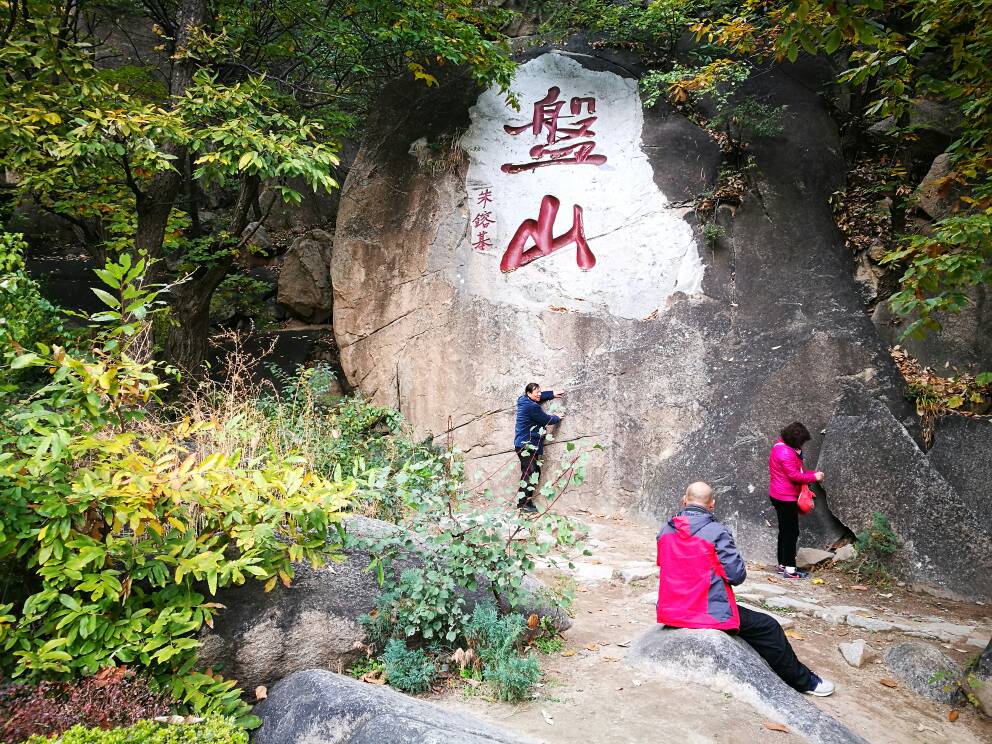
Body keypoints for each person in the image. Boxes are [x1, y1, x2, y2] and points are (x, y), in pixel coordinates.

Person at [656, 481, 835, 696]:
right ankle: (805, 682)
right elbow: (736, 575)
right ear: (712, 505)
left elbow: (667, 563)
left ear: (684, 501)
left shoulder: (665, 530)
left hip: (670, 610)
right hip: (705, 612)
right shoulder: (717, 532)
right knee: (769, 626)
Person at [768, 422, 824, 579]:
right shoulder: (786, 453)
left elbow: (797, 470)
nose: (802, 445)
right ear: (794, 440)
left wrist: (813, 473)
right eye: (801, 442)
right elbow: (795, 475)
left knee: (785, 531)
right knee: (791, 533)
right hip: (785, 497)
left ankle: (782, 564)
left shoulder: (780, 446)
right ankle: (790, 570)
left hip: (778, 494)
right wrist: (814, 477)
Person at [513, 382, 565, 512]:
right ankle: (523, 504)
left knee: (533, 472)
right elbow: (546, 419)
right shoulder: (532, 407)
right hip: (526, 446)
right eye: (536, 393)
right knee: (530, 473)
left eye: (540, 392)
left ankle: (525, 503)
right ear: (529, 393)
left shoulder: (523, 399)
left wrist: (551, 394)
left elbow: (539, 397)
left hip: (524, 444)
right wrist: (556, 417)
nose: (539, 395)